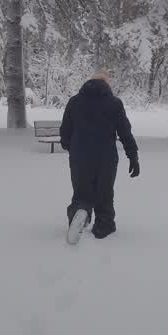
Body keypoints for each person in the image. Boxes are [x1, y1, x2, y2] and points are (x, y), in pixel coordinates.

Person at [59, 71, 140, 244]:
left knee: (81, 194)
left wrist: (70, 147)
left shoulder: (74, 102)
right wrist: (133, 156)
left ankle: (80, 211)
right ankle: (104, 226)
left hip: (80, 157)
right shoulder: (114, 103)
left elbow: (65, 132)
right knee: (104, 194)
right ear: (107, 85)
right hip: (106, 158)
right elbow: (125, 132)